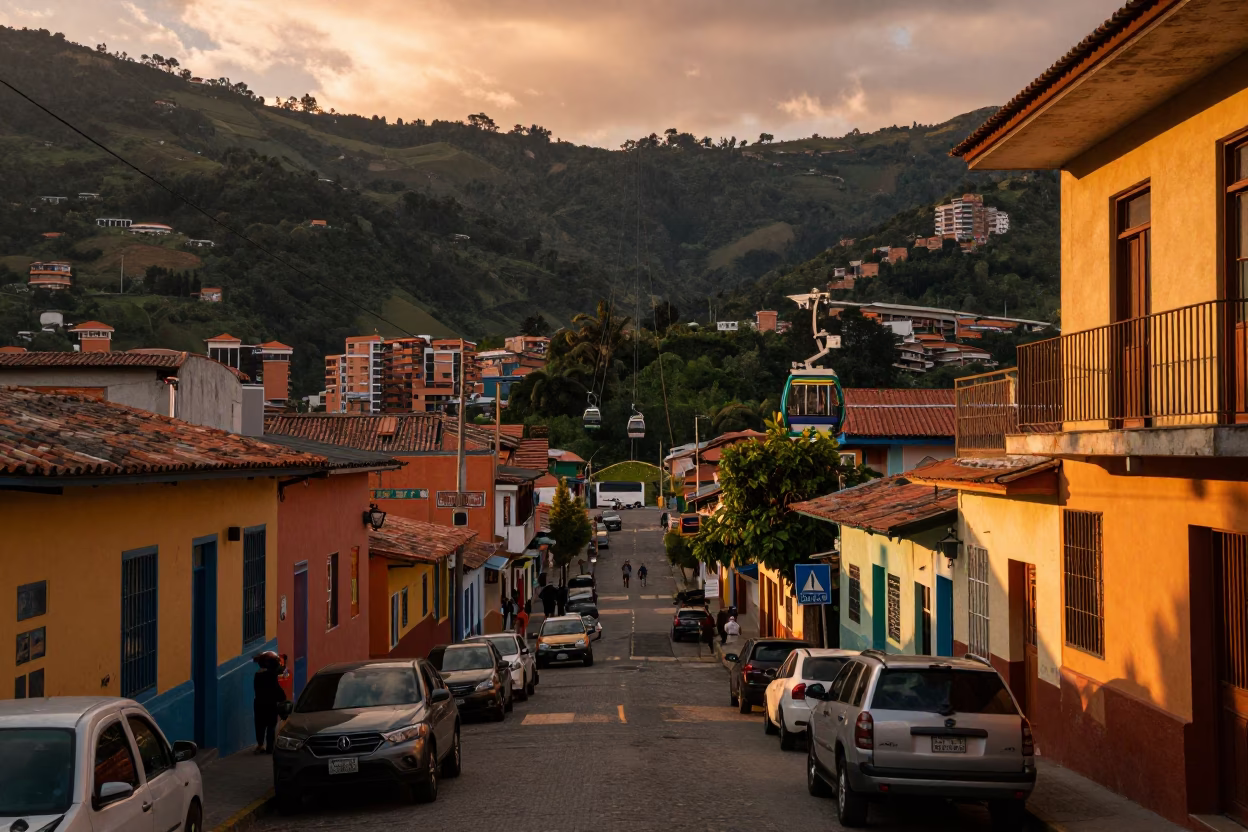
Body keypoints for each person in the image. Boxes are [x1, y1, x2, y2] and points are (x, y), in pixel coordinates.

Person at [252, 651, 285, 754]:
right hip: (270, 703)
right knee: (271, 725)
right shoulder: (271, 675)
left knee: (260, 725)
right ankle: (270, 747)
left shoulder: (258, 675)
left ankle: (260, 744)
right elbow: (276, 687)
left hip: (259, 703)